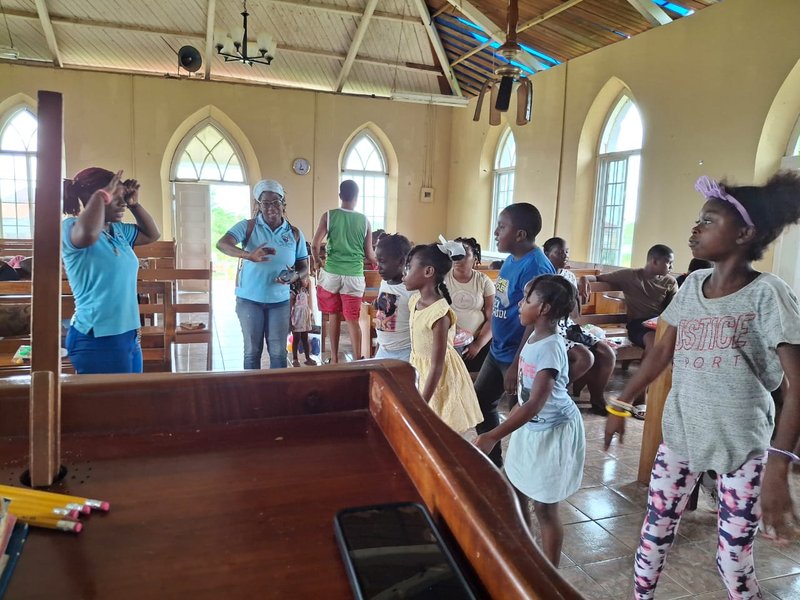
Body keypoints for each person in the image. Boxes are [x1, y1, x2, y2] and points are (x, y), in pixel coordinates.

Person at [604, 172, 800, 600]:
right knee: (653, 536)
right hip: (681, 437)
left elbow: (798, 385)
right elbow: (659, 354)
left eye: (708, 220)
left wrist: (779, 466)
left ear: (745, 234)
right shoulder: (691, 285)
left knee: (733, 559)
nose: (696, 228)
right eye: (698, 219)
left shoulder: (769, 294)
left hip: (743, 448)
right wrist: (621, 403)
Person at [474, 275, 584, 566]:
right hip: (530, 428)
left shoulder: (550, 347)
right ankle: (526, 547)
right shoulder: (535, 336)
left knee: (546, 509)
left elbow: (535, 404)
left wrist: (493, 434)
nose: (520, 305)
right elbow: (527, 400)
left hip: (551, 431)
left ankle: (549, 574)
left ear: (544, 308)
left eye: (527, 300)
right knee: (515, 485)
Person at [474, 203, 557, 467]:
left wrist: (518, 363)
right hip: (498, 349)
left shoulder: (537, 267)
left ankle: (521, 471)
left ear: (520, 234)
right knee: (481, 402)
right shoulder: (511, 259)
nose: (496, 232)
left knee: (520, 415)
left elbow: (536, 322)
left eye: (502, 226)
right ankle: (494, 460)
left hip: (518, 355)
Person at [61, 168, 161, 374]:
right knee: (110, 405)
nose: (122, 203)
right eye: (116, 197)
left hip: (129, 334)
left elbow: (152, 234)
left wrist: (135, 204)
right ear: (93, 197)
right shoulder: (71, 227)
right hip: (98, 337)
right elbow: (87, 233)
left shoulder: (118, 230)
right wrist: (101, 195)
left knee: (131, 400)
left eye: (122, 197)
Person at [216, 179, 309, 370]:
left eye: (275, 202)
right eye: (265, 203)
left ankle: (277, 396)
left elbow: (304, 266)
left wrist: (294, 276)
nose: (271, 207)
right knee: (252, 351)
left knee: (278, 352)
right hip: (250, 300)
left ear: (283, 204)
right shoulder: (248, 226)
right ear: (258, 206)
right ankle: (251, 396)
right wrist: (248, 255)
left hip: (280, 301)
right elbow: (222, 244)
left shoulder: (294, 233)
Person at [404, 243, 483, 433]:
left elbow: (437, 366)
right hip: (421, 371)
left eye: (409, 268)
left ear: (428, 271)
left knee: (442, 429)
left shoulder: (440, 314)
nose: (403, 274)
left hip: (440, 379)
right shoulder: (415, 301)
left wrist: (422, 403)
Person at [543, 237, 616, 416]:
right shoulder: (542, 276)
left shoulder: (568, 276)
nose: (565, 256)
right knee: (585, 357)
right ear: (546, 254)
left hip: (569, 326)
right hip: (552, 328)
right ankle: (554, 394)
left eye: (566, 252)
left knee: (607, 353)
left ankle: (597, 398)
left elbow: (575, 314)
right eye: (559, 252)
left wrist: (580, 283)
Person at [312, 180, 378, 363]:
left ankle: (334, 358)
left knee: (333, 315)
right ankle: (357, 360)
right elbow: (370, 253)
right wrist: (379, 265)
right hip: (354, 276)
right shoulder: (364, 221)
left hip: (332, 275)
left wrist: (317, 262)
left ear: (340, 195)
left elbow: (315, 244)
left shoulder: (329, 216)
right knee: (352, 319)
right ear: (356, 197)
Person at [444, 237, 495, 373]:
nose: (458, 258)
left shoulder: (483, 281)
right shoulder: (442, 279)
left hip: (477, 342)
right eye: (455, 253)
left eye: (464, 253)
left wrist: (478, 345)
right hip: (447, 342)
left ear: (474, 257)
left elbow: (492, 318)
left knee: (472, 382)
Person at [373, 234, 413, 361]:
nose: (378, 266)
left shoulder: (411, 289)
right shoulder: (384, 282)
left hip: (405, 352)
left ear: (401, 261)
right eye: (377, 260)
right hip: (383, 349)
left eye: (383, 261)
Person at [290, 277, 315, 367]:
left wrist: (311, 313)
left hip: (305, 317)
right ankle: (295, 359)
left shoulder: (305, 290)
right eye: (304, 280)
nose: (306, 281)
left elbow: (308, 303)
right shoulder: (293, 292)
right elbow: (290, 306)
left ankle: (307, 358)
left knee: (305, 338)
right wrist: (290, 321)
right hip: (296, 317)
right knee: (296, 338)